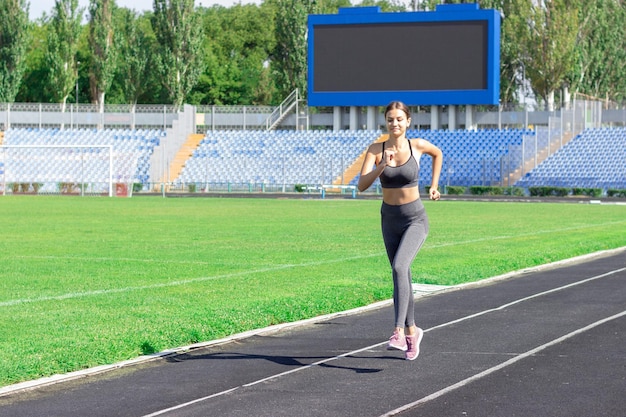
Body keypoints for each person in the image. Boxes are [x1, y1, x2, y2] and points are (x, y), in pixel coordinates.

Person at [357, 101, 443, 361]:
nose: (394, 123)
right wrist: (381, 166)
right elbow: (361, 185)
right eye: (390, 119)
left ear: (408, 122)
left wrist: (434, 185)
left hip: (415, 218)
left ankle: (396, 331)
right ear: (386, 122)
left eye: (399, 119)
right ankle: (412, 331)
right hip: (389, 219)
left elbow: (438, 153)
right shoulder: (375, 149)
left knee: (399, 267)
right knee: (400, 274)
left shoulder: (417, 145)